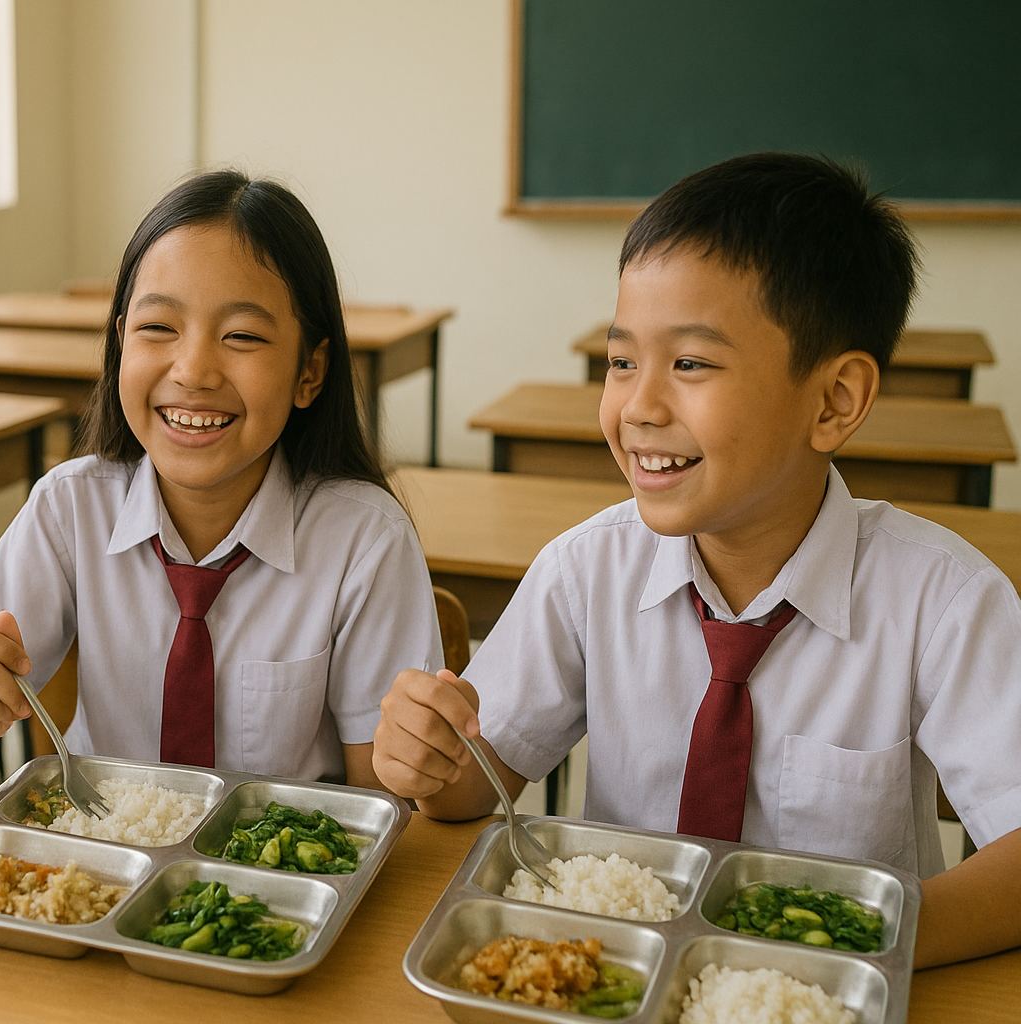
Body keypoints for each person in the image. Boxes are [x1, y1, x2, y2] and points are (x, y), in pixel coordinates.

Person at [372, 153, 1021, 967]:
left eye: (691, 364)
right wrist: (432, 757)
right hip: (613, 978)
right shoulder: (586, 572)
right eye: (620, 362)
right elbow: (479, 782)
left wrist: (832, 949)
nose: (638, 407)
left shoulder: (944, 600)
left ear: (835, 401)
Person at [0, 170, 441, 787]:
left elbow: (378, 804)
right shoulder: (70, 508)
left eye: (242, 336)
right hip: (102, 869)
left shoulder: (363, 541)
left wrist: (417, 763)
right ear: (120, 345)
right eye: (158, 328)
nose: (193, 370)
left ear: (311, 371)